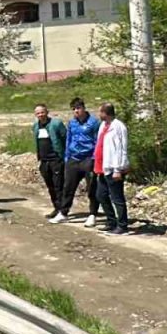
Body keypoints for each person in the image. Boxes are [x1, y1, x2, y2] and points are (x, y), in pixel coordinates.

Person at [52, 97, 103, 227]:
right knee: (68, 187)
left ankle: (93, 214)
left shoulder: (94, 123)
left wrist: (94, 158)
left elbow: (97, 141)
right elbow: (68, 139)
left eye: (78, 108)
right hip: (73, 158)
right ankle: (63, 213)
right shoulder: (72, 123)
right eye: (74, 109)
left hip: (88, 158)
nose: (76, 111)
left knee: (91, 188)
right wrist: (67, 156)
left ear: (84, 108)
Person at [94, 102, 131, 235]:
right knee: (101, 195)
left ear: (105, 113)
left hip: (114, 168)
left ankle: (122, 225)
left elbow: (121, 149)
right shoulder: (103, 125)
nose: (98, 114)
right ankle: (111, 221)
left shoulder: (118, 127)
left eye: (100, 112)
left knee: (117, 197)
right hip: (103, 167)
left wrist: (118, 169)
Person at [32, 103, 68, 219]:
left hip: (56, 160)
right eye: (38, 113)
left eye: (42, 112)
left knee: (59, 186)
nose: (40, 115)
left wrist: (64, 156)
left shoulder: (56, 124)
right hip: (44, 161)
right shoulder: (36, 126)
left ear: (47, 112)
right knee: (50, 186)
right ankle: (56, 208)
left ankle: (62, 210)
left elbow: (65, 138)